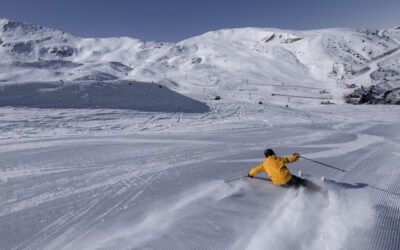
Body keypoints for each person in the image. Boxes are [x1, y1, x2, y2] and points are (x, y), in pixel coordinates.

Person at [248, 149, 319, 190]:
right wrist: (296, 156)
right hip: (287, 178)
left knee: (288, 181)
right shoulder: (278, 159)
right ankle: (318, 189)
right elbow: (290, 159)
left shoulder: (264, 164)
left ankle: (295, 188)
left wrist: (250, 174)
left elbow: (255, 170)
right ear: (273, 153)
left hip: (278, 183)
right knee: (302, 181)